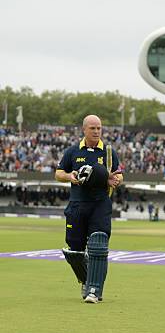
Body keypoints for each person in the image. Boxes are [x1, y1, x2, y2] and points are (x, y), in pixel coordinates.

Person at [55, 115, 122, 304]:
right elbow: (58, 173)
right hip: (77, 205)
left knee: (98, 244)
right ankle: (86, 279)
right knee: (75, 251)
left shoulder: (108, 152)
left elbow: (119, 174)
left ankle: (94, 290)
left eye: (99, 128)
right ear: (84, 130)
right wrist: (70, 176)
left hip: (100, 204)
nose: (96, 131)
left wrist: (116, 180)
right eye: (92, 128)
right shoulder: (73, 151)